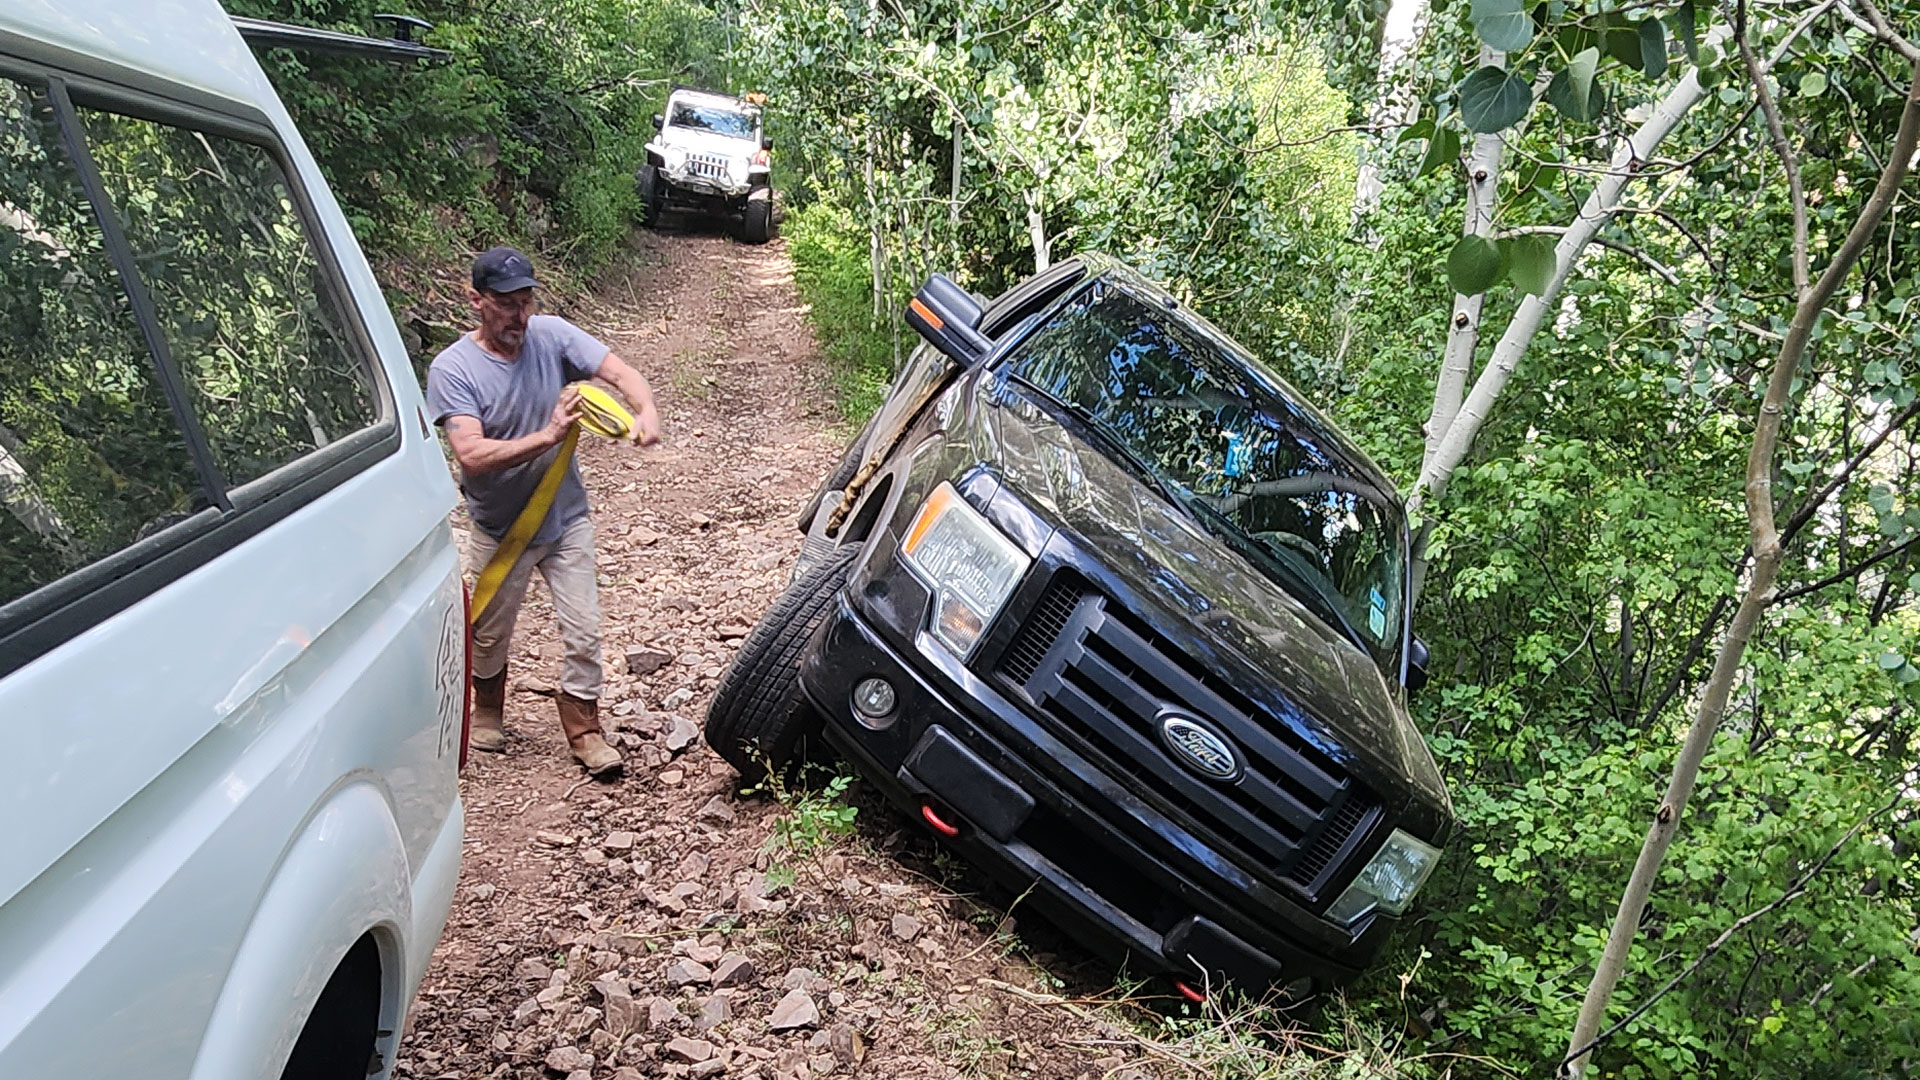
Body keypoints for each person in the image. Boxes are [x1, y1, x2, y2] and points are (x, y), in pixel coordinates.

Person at [425, 246, 660, 777]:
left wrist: (645, 409)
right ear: (476, 302)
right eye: (506, 304)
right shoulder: (453, 370)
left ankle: (585, 729)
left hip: (566, 518)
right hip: (498, 526)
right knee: (488, 633)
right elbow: (471, 455)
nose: (520, 316)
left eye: (526, 300)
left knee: (585, 629)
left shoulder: (550, 334)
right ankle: (487, 710)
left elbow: (618, 371)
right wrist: (550, 435)